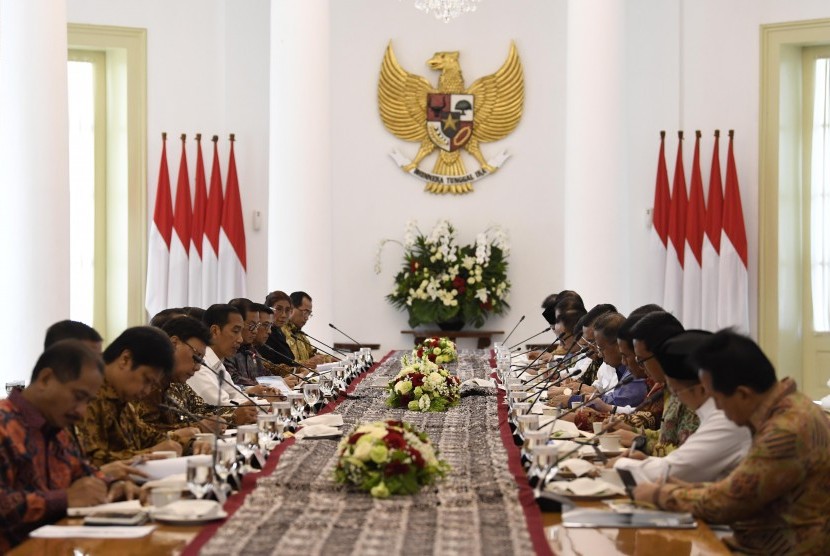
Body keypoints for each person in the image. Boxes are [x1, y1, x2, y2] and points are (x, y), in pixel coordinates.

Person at [634, 330, 830, 554]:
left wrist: (660, 495)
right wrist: (686, 489)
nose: (717, 409)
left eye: (717, 399)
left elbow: (727, 502)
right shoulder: (792, 406)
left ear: (743, 394)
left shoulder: (785, 431)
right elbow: (740, 487)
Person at [0, 341, 139, 551]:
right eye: (78, 397)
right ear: (45, 379)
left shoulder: (56, 430)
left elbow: (84, 473)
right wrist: (64, 499)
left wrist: (114, 486)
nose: (81, 412)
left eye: (88, 402)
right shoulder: (4, 425)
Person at [614, 331, 751, 483]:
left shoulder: (726, 419)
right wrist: (647, 460)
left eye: (676, 391)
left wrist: (618, 464)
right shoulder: (720, 412)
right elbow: (682, 460)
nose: (675, 398)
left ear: (703, 387)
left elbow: (674, 471)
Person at [75, 327, 199, 466]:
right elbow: (90, 461)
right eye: (146, 380)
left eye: (152, 385)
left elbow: (147, 436)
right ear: (125, 359)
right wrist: (149, 454)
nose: (146, 391)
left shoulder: (121, 397)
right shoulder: (88, 395)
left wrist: (191, 445)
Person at [139, 316, 255, 432]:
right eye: (196, 357)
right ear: (174, 343)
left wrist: (237, 414)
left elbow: (204, 410)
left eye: (201, 360)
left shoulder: (178, 384)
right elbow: (146, 433)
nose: (198, 367)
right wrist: (200, 427)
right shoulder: (144, 386)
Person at [628, 311, 699, 456]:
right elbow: (668, 435)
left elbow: (685, 456)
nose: (641, 367)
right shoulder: (670, 386)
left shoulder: (693, 389)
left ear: (662, 354)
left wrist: (638, 441)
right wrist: (631, 431)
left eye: (641, 360)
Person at [186, 304, 273, 407]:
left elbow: (237, 395)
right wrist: (267, 402)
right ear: (215, 331)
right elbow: (223, 405)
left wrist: (265, 398)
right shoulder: (198, 365)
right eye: (235, 331)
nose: (240, 339)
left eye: (241, 332)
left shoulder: (217, 363)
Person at [284, 291, 332, 366]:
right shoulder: (280, 332)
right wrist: (306, 363)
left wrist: (334, 360)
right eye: (305, 312)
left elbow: (313, 355)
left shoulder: (300, 335)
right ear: (292, 308)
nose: (307, 318)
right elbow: (284, 364)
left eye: (309, 314)